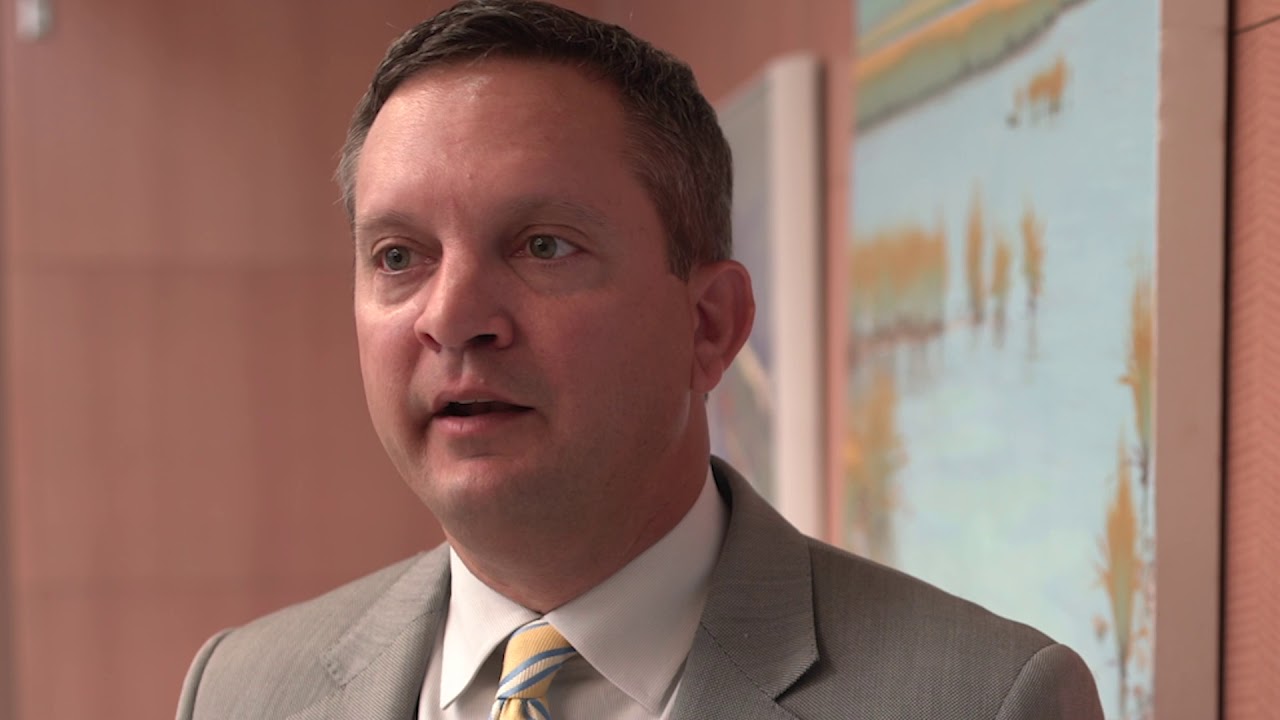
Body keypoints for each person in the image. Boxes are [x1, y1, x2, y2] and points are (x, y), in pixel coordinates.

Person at [176, 1, 1104, 718]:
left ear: (710, 326)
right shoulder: (240, 691)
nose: (451, 318)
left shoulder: (984, 700)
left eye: (542, 246)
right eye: (397, 257)